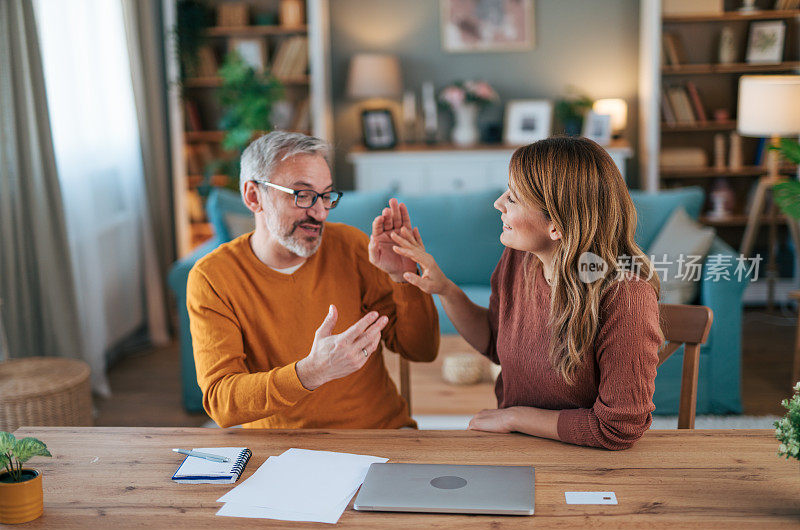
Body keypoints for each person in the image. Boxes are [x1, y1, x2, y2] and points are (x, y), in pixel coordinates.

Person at [390, 137, 661, 450]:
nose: (498, 203)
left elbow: (617, 428)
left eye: (514, 199)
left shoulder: (626, 298)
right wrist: (445, 289)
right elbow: (495, 340)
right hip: (518, 447)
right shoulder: (520, 259)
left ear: (556, 226)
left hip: (589, 459)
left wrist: (515, 418)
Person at [186, 131, 439, 429]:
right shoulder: (213, 278)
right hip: (283, 454)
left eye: (326, 195)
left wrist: (404, 279)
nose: (319, 212)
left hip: (381, 437)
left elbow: (421, 350)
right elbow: (221, 401)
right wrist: (310, 372)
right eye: (302, 195)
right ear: (254, 196)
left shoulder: (353, 247)